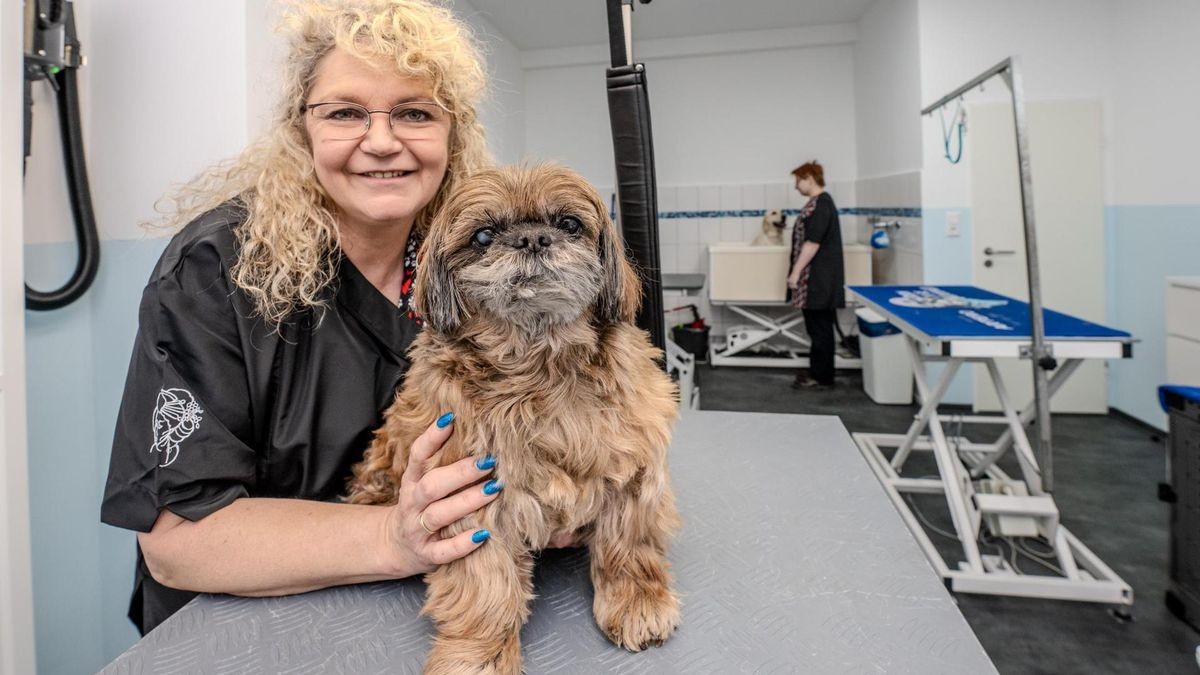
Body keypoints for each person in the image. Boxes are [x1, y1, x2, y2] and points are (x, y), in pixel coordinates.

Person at [99, 0, 540, 635]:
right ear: (301, 129)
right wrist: (394, 535)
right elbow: (177, 543)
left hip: (434, 602)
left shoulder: (481, 266)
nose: (383, 141)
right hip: (242, 622)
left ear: (454, 135)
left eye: (415, 113)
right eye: (345, 113)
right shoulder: (216, 268)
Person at [786, 160, 845, 390]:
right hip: (817, 279)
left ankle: (822, 377)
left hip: (817, 281)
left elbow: (812, 243)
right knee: (818, 328)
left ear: (809, 178)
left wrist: (795, 273)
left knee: (820, 329)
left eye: (798, 181)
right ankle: (818, 372)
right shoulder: (819, 203)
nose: (796, 186)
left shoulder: (821, 205)